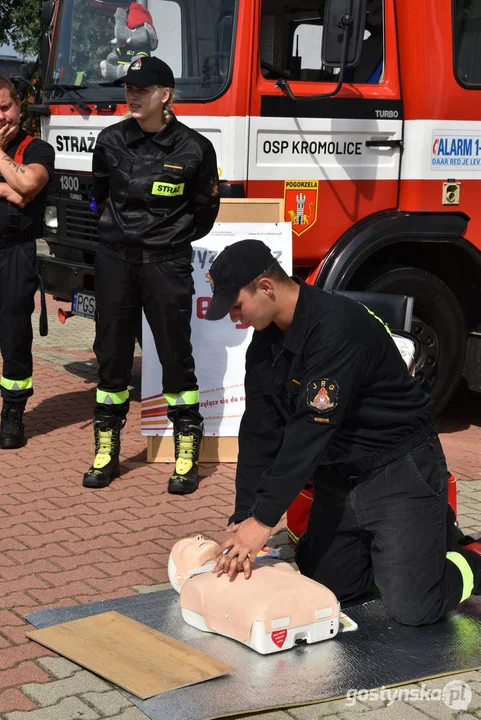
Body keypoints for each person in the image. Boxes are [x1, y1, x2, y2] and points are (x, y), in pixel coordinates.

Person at [205, 238, 481, 626]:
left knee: (414, 608)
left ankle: (468, 554)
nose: (236, 318)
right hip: (340, 477)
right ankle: (410, 546)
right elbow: (259, 434)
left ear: (265, 287)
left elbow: (308, 434)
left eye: (237, 306)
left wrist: (263, 521)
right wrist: (244, 516)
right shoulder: (264, 345)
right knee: (327, 589)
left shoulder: (336, 328)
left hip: (399, 470)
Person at [83, 56, 220, 492]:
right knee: (112, 355)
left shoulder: (195, 149)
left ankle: (186, 452)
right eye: (129, 88)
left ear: (166, 95)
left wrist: (167, 238)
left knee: (175, 355)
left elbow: (205, 213)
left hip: (167, 263)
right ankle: (106, 450)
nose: (132, 95)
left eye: (142, 89)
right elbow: (96, 197)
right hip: (115, 262)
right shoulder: (109, 141)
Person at [0, 76, 54, 449]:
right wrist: (8, 188)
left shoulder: (37, 149)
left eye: (4, 107)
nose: (0, 116)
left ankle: (13, 412)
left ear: (18, 105)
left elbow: (29, 187)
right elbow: (16, 191)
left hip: (14, 253)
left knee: (14, 336)